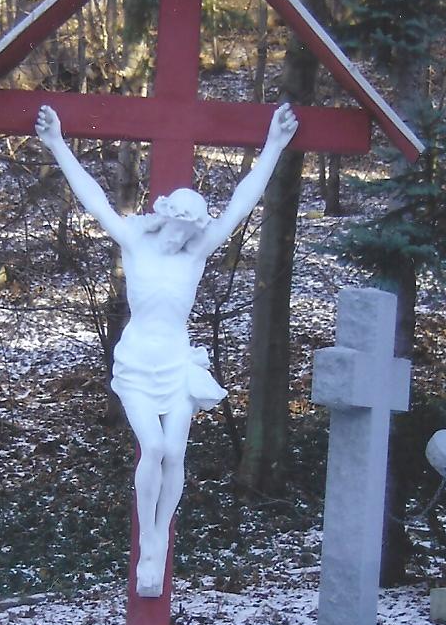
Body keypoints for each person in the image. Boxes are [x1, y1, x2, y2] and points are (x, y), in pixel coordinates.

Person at [36, 102, 299, 596]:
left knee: (175, 452)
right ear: (168, 219)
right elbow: (92, 200)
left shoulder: (197, 252)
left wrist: (274, 146)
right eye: (181, 229)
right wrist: (56, 144)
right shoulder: (136, 243)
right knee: (152, 448)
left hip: (178, 363)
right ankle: (149, 539)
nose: (186, 239)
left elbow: (244, 202)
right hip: (137, 363)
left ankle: (160, 537)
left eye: (193, 233)